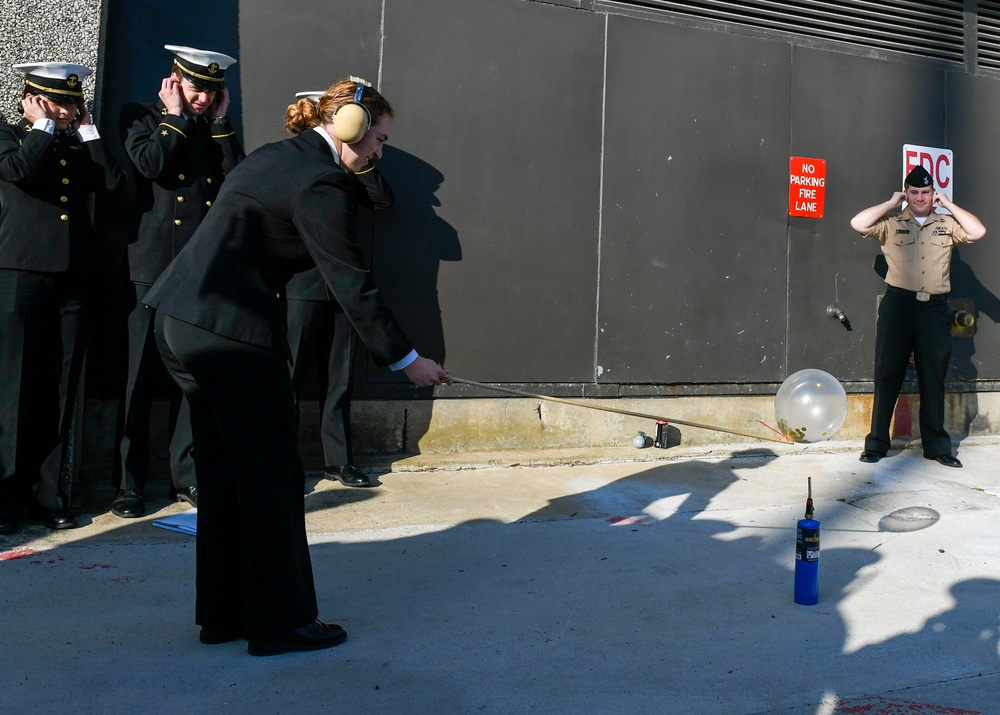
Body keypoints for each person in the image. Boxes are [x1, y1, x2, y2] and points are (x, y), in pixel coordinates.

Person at [142, 77, 451, 655]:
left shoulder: (278, 156)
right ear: (352, 126)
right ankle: (280, 623)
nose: (379, 152)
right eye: (378, 139)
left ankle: (223, 614)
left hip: (180, 321)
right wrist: (407, 360)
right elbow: (351, 281)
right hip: (231, 335)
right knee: (273, 478)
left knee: (226, 473)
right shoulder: (323, 181)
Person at [112, 45, 244, 519]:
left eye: (212, 90)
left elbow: (236, 183)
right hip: (150, 269)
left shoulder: (215, 127)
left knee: (193, 378)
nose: (204, 99)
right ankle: (128, 484)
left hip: (198, 270)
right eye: (195, 87)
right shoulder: (142, 116)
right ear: (173, 80)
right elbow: (151, 165)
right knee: (139, 379)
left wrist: (223, 125)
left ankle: (186, 476)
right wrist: (173, 116)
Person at [0, 62, 126, 534]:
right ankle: (4, 497)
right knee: (12, 388)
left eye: (75, 102)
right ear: (33, 99)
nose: (71, 110)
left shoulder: (78, 140)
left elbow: (111, 183)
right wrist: (43, 127)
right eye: (62, 102)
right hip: (20, 274)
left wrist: (88, 128)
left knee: (60, 388)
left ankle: (47, 492)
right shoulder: (11, 135)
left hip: (75, 278)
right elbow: (18, 171)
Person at [286, 88, 393, 489]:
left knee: (339, 378)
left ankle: (338, 460)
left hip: (342, 289)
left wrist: (359, 158)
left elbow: (383, 199)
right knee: (291, 375)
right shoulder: (303, 162)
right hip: (302, 283)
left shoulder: (351, 164)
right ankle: (288, 461)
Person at [850, 165, 986, 468]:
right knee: (888, 374)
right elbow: (857, 223)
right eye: (914, 192)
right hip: (898, 307)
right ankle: (876, 444)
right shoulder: (892, 223)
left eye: (925, 192)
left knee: (933, 377)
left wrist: (947, 203)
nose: (920, 197)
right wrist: (890, 203)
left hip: (934, 310)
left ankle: (937, 447)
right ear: (907, 193)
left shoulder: (946, 224)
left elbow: (978, 231)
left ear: (932, 193)